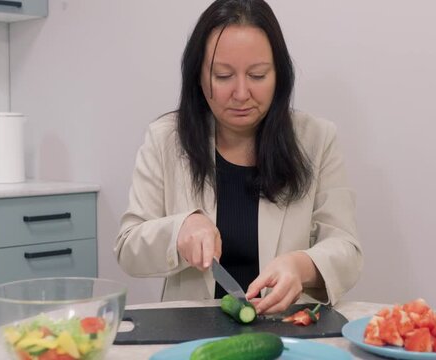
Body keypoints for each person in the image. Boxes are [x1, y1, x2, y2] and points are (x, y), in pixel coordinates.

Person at [114, 0, 362, 314]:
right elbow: (128, 247)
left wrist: (303, 265)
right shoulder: (166, 138)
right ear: (199, 78)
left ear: (279, 76)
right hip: (192, 332)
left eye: (257, 76)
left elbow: (347, 250)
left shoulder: (316, 139)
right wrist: (179, 230)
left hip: (287, 327)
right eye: (222, 76)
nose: (241, 93)